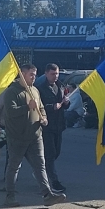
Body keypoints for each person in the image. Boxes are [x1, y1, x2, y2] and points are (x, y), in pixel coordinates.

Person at [2, 64, 67, 207]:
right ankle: (10, 196)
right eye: (31, 74)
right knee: (14, 167)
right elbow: (11, 112)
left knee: (40, 166)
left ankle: (47, 195)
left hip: (35, 135)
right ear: (22, 75)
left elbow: (41, 108)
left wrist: (44, 118)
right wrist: (27, 107)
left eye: (35, 74)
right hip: (17, 137)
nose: (34, 77)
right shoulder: (12, 92)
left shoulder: (35, 91)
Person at [37, 63, 70, 193]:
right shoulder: (40, 88)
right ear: (46, 74)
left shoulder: (60, 86)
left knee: (56, 152)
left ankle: (42, 171)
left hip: (59, 125)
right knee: (50, 154)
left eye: (56, 73)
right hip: (47, 126)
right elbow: (38, 107)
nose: (55, 76)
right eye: (52, 74)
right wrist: (51, 107)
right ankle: (54, 182)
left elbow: (64, 105)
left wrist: (66, 103)